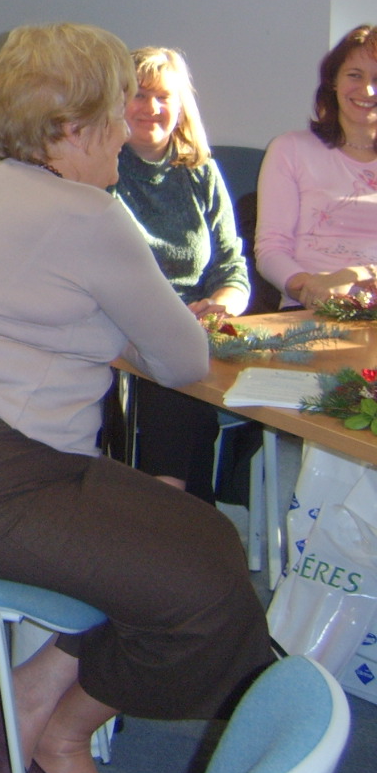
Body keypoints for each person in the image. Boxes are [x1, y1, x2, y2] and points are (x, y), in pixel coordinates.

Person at [0, 24, 269, 773]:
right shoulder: (89, 214)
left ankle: (22, 706)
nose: (127, 131)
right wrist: (113, 326)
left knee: (194, 538)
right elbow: (184, 360)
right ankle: (58, 734)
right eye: (116, 113)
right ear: (72, 125)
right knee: (208, 587)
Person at [113, 47, 250, 499]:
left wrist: (222, 305)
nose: (151, 107)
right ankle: (177, 507)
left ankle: (174, 508)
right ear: (117, 101)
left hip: (195, 327)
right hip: (122, 323)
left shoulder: (201, 171)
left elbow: (232, 266)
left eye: (163, 97)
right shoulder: (100, 167)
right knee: (176, 375)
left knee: (186, 376)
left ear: (180, 106)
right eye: (139, 95)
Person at [256, 24, 377, 307]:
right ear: (333, 81)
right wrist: (311, 289)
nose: (368, 89)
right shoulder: (290, 149)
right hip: (307, 308)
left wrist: (356, 275)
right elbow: (272, 248)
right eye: (355, 75)